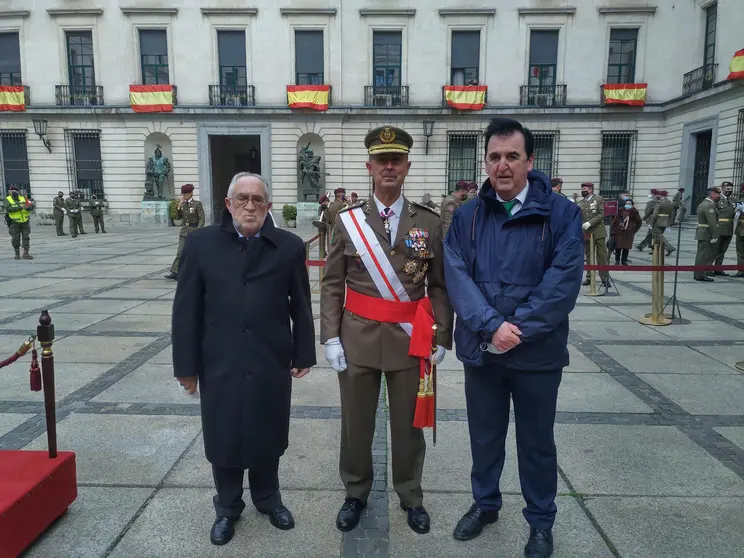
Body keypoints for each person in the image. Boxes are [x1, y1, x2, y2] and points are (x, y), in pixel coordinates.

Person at [444, 117, 583, 558]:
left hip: (537, 354)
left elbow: (562, 283)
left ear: (530, 160)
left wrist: (515, 329)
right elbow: (456, 275)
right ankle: (485, 504)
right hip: (482, 351)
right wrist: (490, 326)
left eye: (512, 156)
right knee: (484, 437)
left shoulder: (561, 213)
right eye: (494, 157)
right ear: (485, 161)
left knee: (537, 442)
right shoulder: (465, 216)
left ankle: (541, 521)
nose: (502, 166)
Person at [320, 125, 453, 535]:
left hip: (409, 338)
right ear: (370, 167)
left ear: (407, 167)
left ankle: (411, 495)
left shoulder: (428, 222)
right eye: (382, 160)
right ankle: (355, 492)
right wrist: (330, 336)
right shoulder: (348, 221)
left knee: (409, 425)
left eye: (396, 160)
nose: (389, 167)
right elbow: (331, 282)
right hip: (357, 337)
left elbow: (439, 284)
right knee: (355, 423)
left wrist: (442, 334)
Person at [172, 172, 316, 546]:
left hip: (270, 359)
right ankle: (228, 507)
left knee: (268, 430)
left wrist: (303, 352)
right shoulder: (201, 245)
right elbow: (185, 310)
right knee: (225, 434)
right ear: (228, 204)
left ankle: (268, 499)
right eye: (242, 199)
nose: (249, 206)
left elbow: (300, 305)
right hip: (219, 361)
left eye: (257, 200)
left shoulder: (288, 247)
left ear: (268, 207)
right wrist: (185, 368)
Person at [164, 184, 205, 280]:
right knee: (180, 253)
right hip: (184, 232)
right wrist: (179, 206)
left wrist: (198, 231)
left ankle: (199, 272)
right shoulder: (183, 205)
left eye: (185, 194)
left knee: (195, 254)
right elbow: (178, 218)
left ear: (191, 193)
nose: (184, 196)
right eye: (183, 194)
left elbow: (202, 219)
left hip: (194, 231)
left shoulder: (197, 204)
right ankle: (175, 272)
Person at [577, 182, 609, 287]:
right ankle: (589, 278)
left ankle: (605, 278)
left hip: (598, 231)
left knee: (602, 256)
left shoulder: (598, 199)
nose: (583, 190)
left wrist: (590, 223)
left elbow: (601, 214)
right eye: (582, 188)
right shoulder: (580, 202)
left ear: (590, 189)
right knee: (589, 256)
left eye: (584, 188)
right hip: (586, 232)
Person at [694, 185, 721, 282]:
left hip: (703, 232)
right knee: (704, 255)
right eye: (717, 194)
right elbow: (712, 222)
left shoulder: (703, 203)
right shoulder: (709, 205)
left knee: (701, 254)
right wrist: (715, 235)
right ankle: (699, 274)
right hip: (706, 233)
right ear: (713, 194)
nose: (718, 195)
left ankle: (699, 273)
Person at [4, 185, 35, 260]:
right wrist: (20, 207)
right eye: (13, 191)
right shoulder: (7, 199)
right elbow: (8, 209)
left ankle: (26, 253)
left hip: (25, 221)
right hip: (14, 222)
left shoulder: (23, 198)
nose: (15, 192)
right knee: (15, 238)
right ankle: (17, 253)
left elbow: (32, 205)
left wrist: (28, 207)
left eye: (16, 191)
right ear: (10, 192)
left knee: (26, 237)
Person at [610, 198, 642, 265]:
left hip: (628, 234)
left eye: (629, 204)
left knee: (626, 248)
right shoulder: (620, 211)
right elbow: (614, 221)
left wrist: (634, 230)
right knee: (618, 247)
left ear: (632, 205)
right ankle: (617, 261)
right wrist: (613, 231)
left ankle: (624, 261)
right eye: (626, 204)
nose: (628, 205)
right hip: (619, 232)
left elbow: (639, 222)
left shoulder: (634, 212)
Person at [713, 181, 735, 276]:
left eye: (730, 189)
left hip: (729, 228)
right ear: (722, 188)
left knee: (722, 250)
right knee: (714, 249)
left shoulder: (733, 200)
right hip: (720, 227)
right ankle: (709, 269)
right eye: (727, 189)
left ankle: (718, 269)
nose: (729, 191)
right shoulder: (717, 199)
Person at [648, 190, 675, 257]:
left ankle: (670, 248)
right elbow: (672, 214)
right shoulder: (670, 203)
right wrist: (669, 223)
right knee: (655, 237)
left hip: (658, 221)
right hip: (665, 222)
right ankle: (655, 250)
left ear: (660, 195)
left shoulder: (659, 203)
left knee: (658, 235)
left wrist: (651, 223)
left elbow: (655, 214)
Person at [734, 184, 744, 278]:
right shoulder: (740, 199)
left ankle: (741, 270)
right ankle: (741, 270)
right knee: (740, 251)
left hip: (741, 229)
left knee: (740, 251)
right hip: (741, 229)